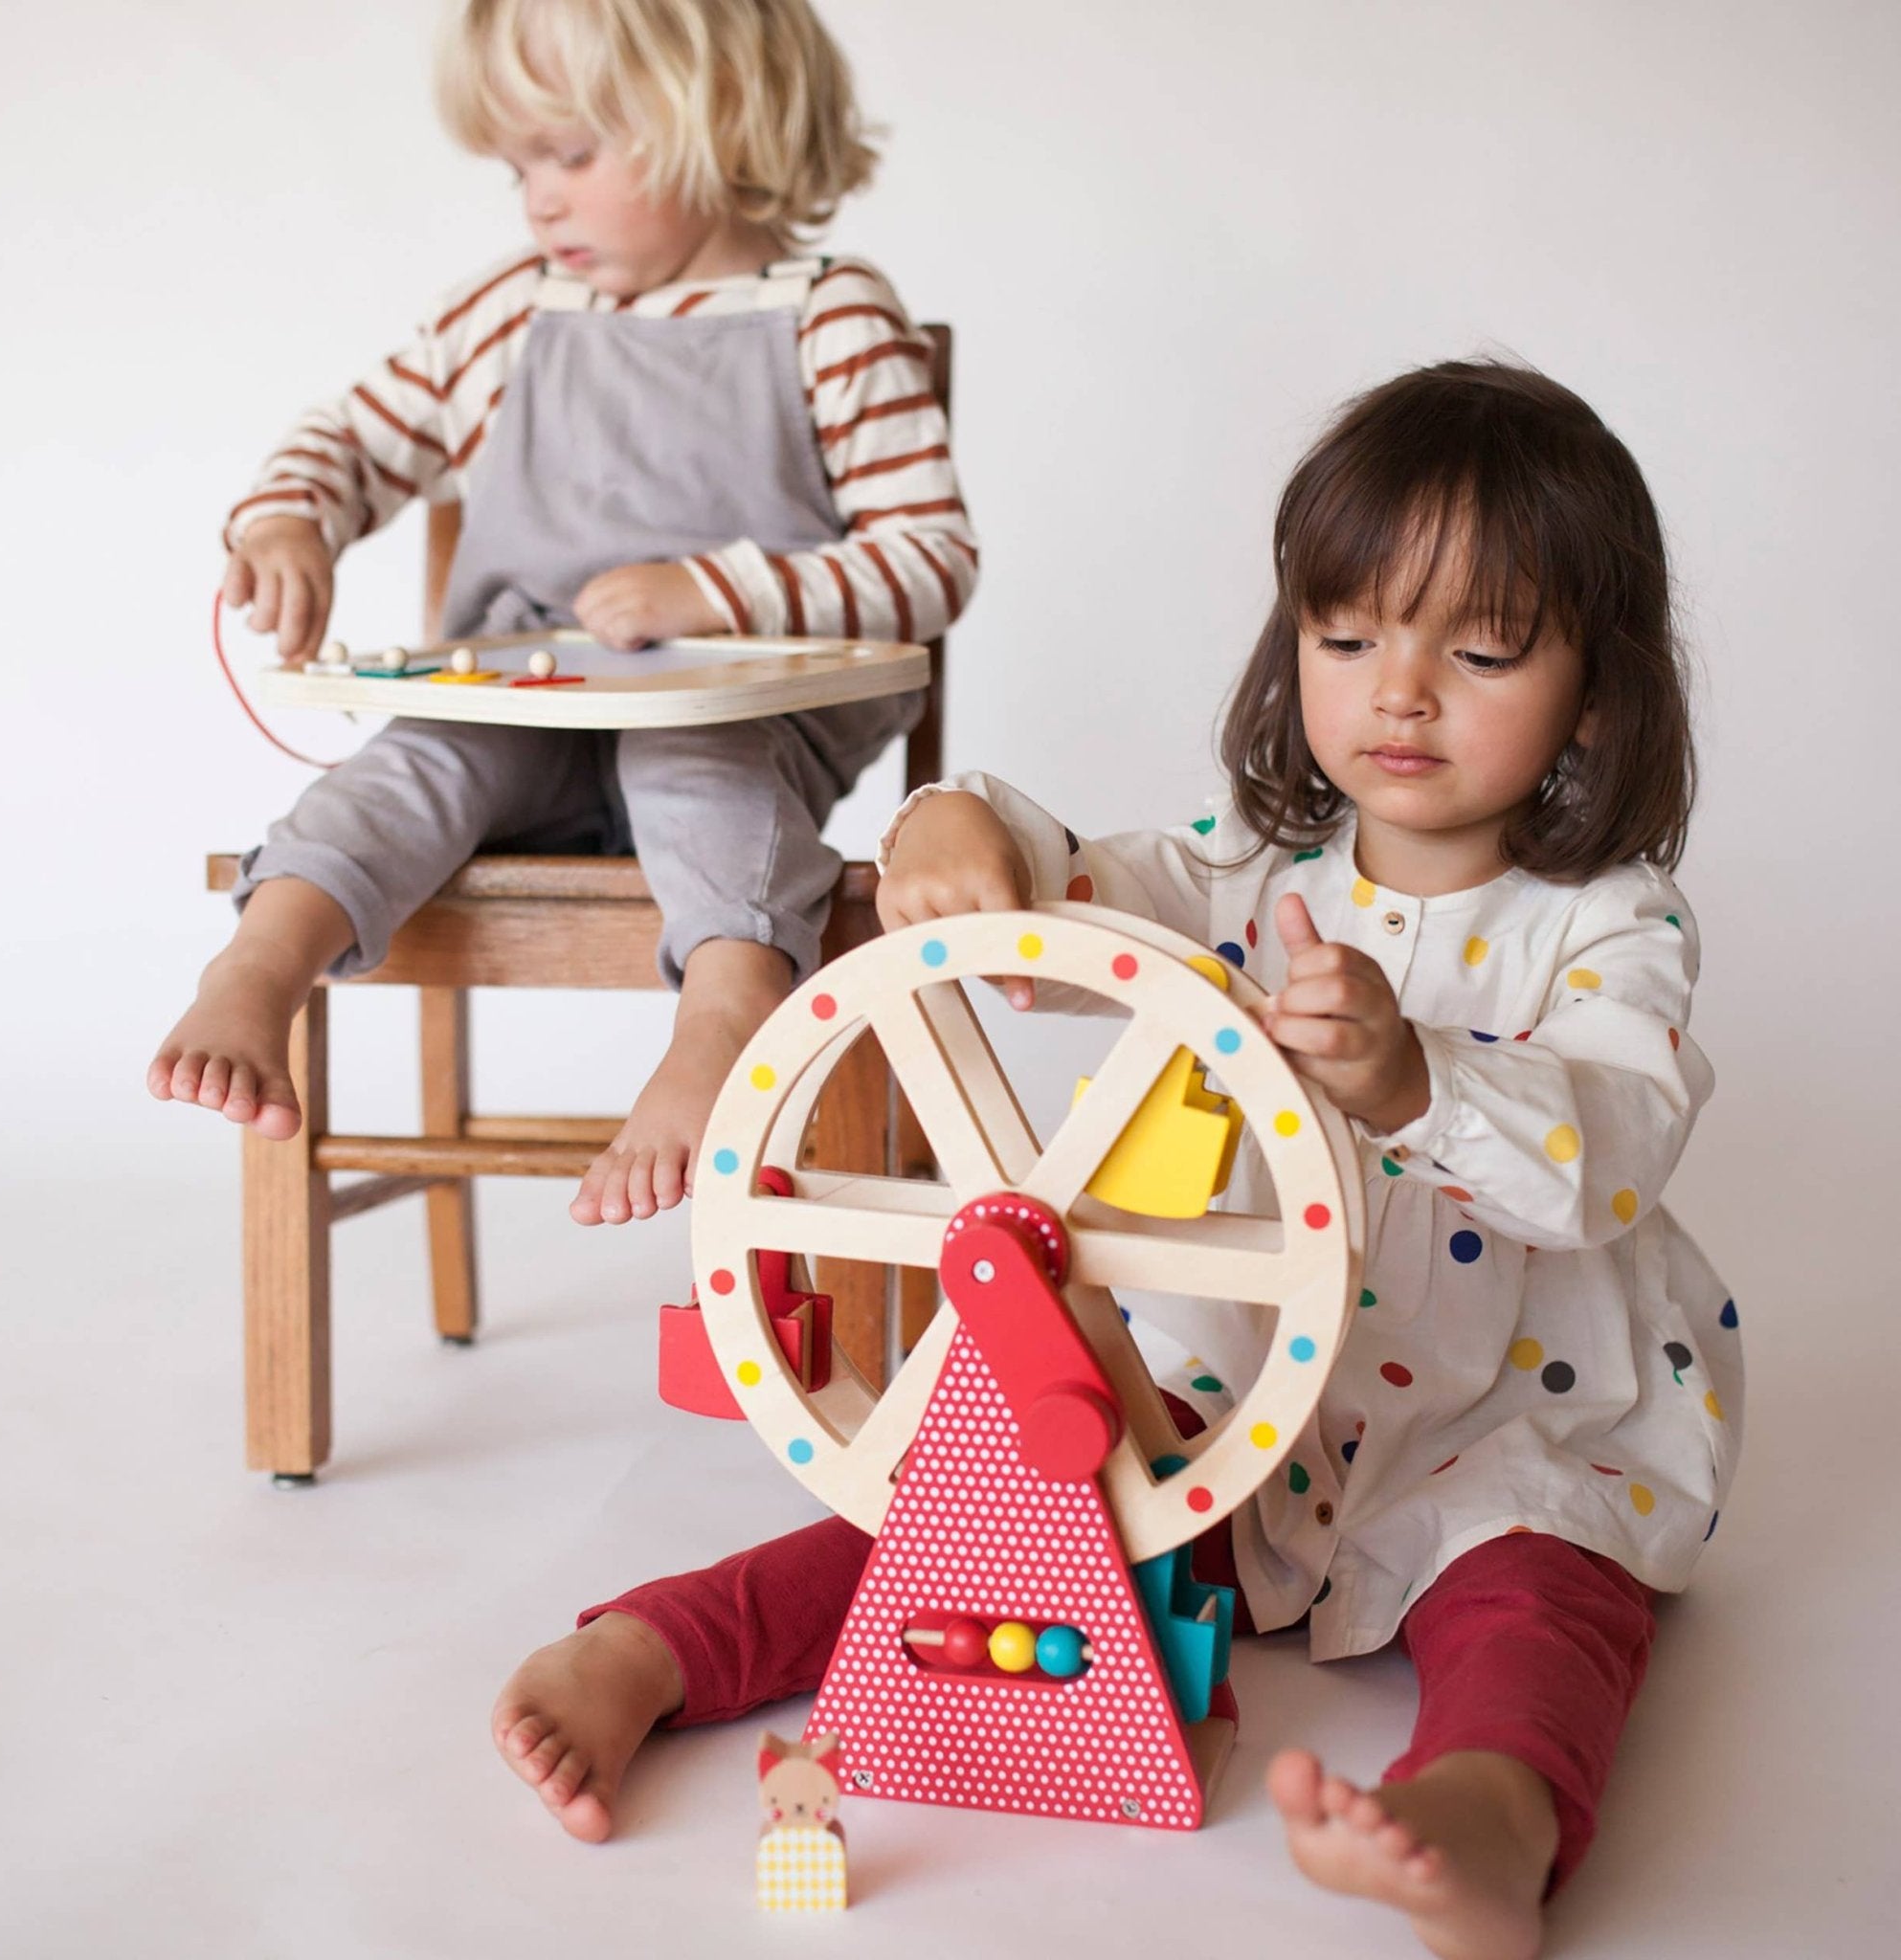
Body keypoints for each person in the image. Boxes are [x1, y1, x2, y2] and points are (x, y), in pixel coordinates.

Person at [491, 360, 1738, 1960]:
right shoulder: (1240, 877)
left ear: (1597, 692)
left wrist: (1412, 1077)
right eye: (1349, 637)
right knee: (983, 1504)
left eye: (1480, 649)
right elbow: (1056, 890)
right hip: (1231, 1408)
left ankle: (1486, 1814)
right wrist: (958, 832)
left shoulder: (1613, 924)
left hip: (1504, 1424)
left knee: (1540, 1600)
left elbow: (1611, 1148)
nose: (1402, 692)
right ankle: (657, 1649)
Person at [148, 0, 975, 1227]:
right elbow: (351, 438)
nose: (538, 200)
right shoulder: (503, 314)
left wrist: (707, 593)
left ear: (719, 119)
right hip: (521, 714)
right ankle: (259, 965)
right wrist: (286, 523)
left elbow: (929, 560)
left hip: (739, 718)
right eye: (519, 166)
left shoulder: (832, 317)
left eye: (572, 154)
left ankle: (725, 1013)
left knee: (696, 761)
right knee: (415, 763)